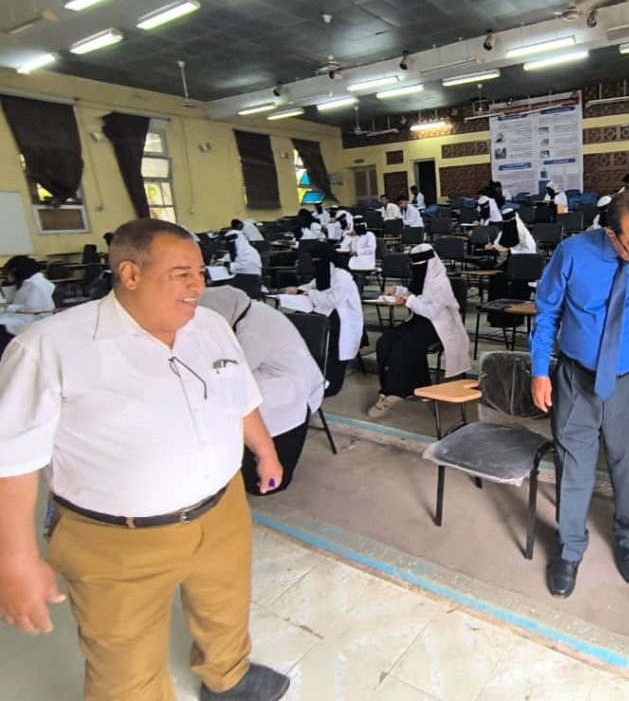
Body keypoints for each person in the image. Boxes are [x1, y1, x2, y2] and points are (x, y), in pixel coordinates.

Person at [0, 218, 289, 701]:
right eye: (181, 274)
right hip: (116, 539)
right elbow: (12, 461)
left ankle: (228, 675)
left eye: (200, 272)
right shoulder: (50, 347)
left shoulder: (211, 326)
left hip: (221, 511)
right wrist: (15, 559)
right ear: (130, 274)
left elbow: (239, 396)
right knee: (123, 663)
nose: (198, 285)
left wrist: (265, 450)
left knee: (224, 606)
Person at [531, 190, 629, 598]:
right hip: (576, 380)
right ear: (611, 233)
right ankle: (570, 549)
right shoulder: (573, 254)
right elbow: (547, 313)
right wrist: (540, 371)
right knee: (573, 468)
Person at [200, 286, 324, 496]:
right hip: (277, 375)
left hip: (290, 386)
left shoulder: (253, 331)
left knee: (231, 400)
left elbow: (232, 374)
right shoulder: (250, 311)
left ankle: (259, 460)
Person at [368, 245, 471, 418]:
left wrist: (409, 300)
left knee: (402, 348)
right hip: (418, 321)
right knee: (384, 342)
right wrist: (398, 291)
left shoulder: (440, 282)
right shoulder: (422, 276)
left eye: (419, 265)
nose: (416, 269)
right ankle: (409, 386)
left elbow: (432, 312)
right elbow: (415, 292)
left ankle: (392, 393)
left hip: (437, 326)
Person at [289, 246, 363, 395]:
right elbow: (312, 286)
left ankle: (331, 385)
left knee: (333, 349)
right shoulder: (324, 271)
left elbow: (334, 299)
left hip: (342, 319)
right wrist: (297, 290)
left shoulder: (341, 275)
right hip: (326, 312)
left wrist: (309, 293)